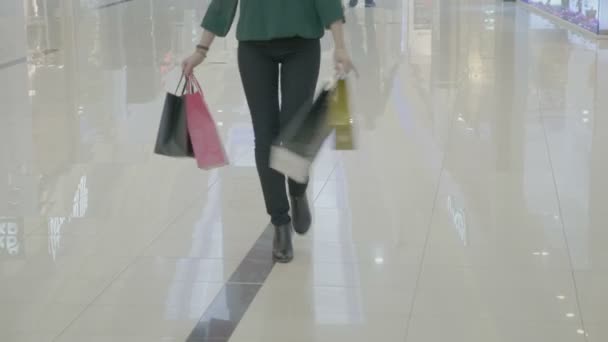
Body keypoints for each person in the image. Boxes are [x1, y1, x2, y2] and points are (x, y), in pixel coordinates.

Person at [182, 0, 355, 263]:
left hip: (302, 43)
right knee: (265, 135)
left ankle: (297, 191)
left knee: (293, 133)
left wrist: (340, 46)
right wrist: (201, 49)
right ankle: (280, 222)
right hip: (254, 46)